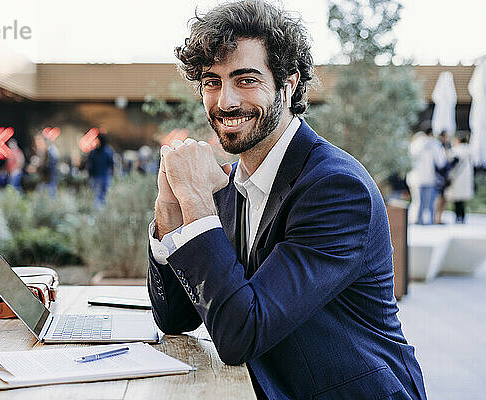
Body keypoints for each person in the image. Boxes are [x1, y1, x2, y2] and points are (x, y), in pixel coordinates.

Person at [146, 1, 426, 399]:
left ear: (288, 84)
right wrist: (169, 211)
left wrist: (197, 208)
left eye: (245, 80)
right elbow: (175, 317)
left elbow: (241, 334)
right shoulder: (229, 185)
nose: (225, 101)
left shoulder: (336, 190)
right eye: (212, 81)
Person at [407, 127, 447, 224]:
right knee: (429, 203)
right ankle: (429, 222)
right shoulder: (435, 144)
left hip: (415, 178)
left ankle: (416, 221)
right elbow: (441, 162)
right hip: (429, 178)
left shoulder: (414, 144)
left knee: (417, 201)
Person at [445, 134, 474, 223]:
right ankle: (462, 216)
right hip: (466, 178)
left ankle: (458, 217)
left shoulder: (455, 151)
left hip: (457, 178)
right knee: (462, 200)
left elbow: (451, 164)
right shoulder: (469, 150)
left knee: (457, 199)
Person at [88, 134, 114, 207]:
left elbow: (90, 165)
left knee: (98, 196)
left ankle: (99, 210)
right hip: (101, 176)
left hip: (100, 177)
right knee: (101, 196)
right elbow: (111, 165)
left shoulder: (96, 152)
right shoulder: (108, 151)